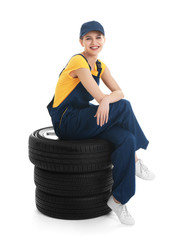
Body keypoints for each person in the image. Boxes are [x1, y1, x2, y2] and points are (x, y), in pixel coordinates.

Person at [47, 20, 155, 225]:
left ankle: (118, 199)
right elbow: (100, 96)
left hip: (85, 118)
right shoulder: (78, 62)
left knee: (126, 138)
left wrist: (106, 100)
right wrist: (104, 99)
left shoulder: (100, 66)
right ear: (81, 42)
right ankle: (136, 161)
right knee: (123, 106)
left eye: (98, 37)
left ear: (104, 40)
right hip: (66, 120)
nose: (94, 41)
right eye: (88, 38)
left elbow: (119, 92)